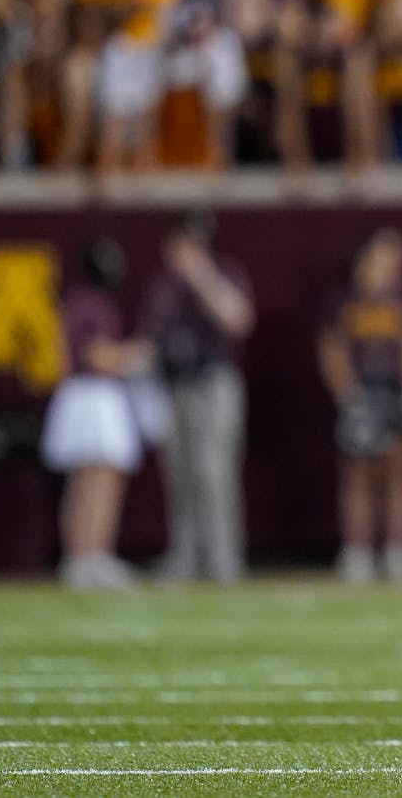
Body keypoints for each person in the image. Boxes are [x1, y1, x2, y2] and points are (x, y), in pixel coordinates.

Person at [140, 210, 255, 583]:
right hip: (173, 384)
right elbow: (151, 339)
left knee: (214, 473)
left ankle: (223, 558)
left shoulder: (223, 273)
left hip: (213, 384)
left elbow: (238, 320)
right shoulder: (163, 285)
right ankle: (185, 557)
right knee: (179, 476)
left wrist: (203, 279)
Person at [318, 228, 402, 584]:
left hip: (395, 392)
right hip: (362, 393)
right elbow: (332, 349)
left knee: (401, 473)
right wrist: (348, 395)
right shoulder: (345, 302)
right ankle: (358, 549)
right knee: (357, 476)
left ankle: (399, 550)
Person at [41, 237, 152, 589]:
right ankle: (89, 556)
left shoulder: (73, 300)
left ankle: (83, 557)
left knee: (85, 482)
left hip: (78, 395)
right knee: (99, 481)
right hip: (93, 395)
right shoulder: (93, 303)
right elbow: (96, 356)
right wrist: (135, 357)